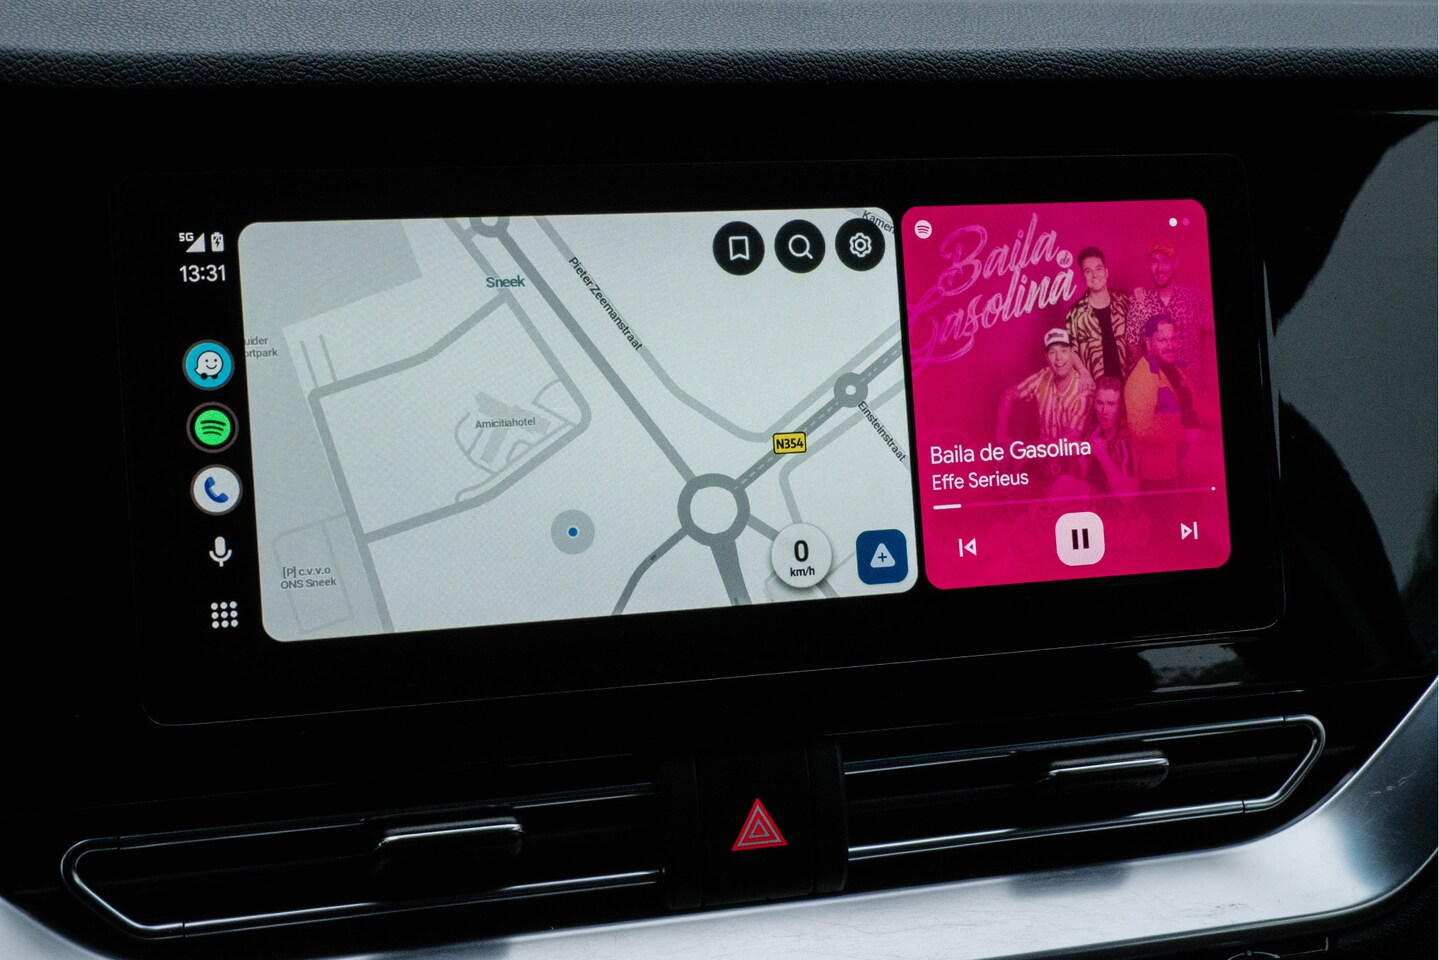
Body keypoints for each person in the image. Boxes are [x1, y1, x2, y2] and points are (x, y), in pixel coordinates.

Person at [1124, 313, 1209, 489]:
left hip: (1189, 454)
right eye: (1162, 340)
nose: (1170, 346)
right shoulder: (1142, 378)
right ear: (1148, 343)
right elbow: (1142, 429)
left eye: (1172, 339)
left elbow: (1196, 407)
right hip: (1162, 472)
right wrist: (1186, 435)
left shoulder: (1176, 369)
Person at [1127, 237, 1212, 388]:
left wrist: (1209, 381)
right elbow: (1132, 345)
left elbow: (1211, 341)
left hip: (1194, 389)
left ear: (1175, 263)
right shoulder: (1140, 302)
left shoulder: (1196, 299)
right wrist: (1153, 376)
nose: (1159, 268)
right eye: (1154, 261)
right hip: (1158, 392)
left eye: (1165, 260)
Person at [996, 328, 1095, 450]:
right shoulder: (1044, 376)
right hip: (1042, 452)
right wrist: (1001, 434)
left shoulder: (1084, 390)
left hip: (1072, 456)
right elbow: (1009, 394)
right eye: (1052, 352)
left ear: (1072, 353)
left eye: (1063, 351)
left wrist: (1027, 450)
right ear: (1046, 357)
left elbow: (1067, 441)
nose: (1058, 358)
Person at [1065, 246, 1132, 381]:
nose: (1094, 275)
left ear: (1106, 272)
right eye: (1088, 271)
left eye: (1098, 269)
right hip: (1097, 386)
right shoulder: (1075, 314)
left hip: (1130, 381)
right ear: (1083, 277)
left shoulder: (1126, 302)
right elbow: (1071, 350)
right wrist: (1084, 373)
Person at [1086, 375, 1137, 495]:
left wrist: (1102, 455)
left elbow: (1129, 497)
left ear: (1120, 407)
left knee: (1063, 483)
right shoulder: (1094, 430)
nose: (1104, 411)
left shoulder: (1125, 440)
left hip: (1116, 503)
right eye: (1100, 403)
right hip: (1097, 497)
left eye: (1111, 404)